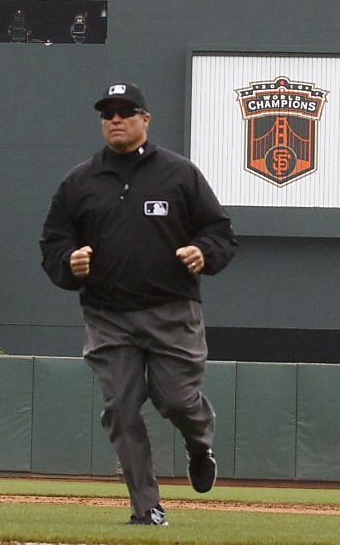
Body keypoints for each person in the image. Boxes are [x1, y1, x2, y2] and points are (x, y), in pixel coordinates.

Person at [40, 81, 236, 528]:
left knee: (177, 400)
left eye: (126, 111)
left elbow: (221, 233)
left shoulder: (179, 174)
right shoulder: (80, 181)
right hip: (108, 315)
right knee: (121, 409)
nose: (115, 119)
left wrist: (203, 252)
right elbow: (53, 242)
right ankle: (146, 507)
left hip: (172, 311)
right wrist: (69, 262)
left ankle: (199, 443)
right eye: (108, 113)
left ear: (145, 120)